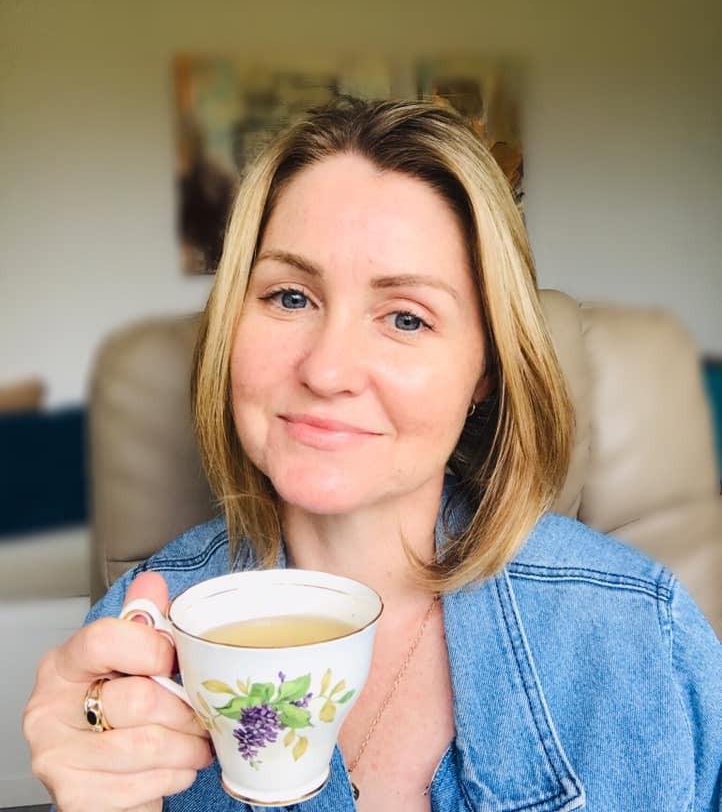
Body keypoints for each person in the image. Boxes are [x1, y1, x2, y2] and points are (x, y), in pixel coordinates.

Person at [24, 98, 721, 812]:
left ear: (485, 369)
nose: (327, 371)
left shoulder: (648, 639)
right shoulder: (136, 640)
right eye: (290, 297)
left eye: (407, 318)